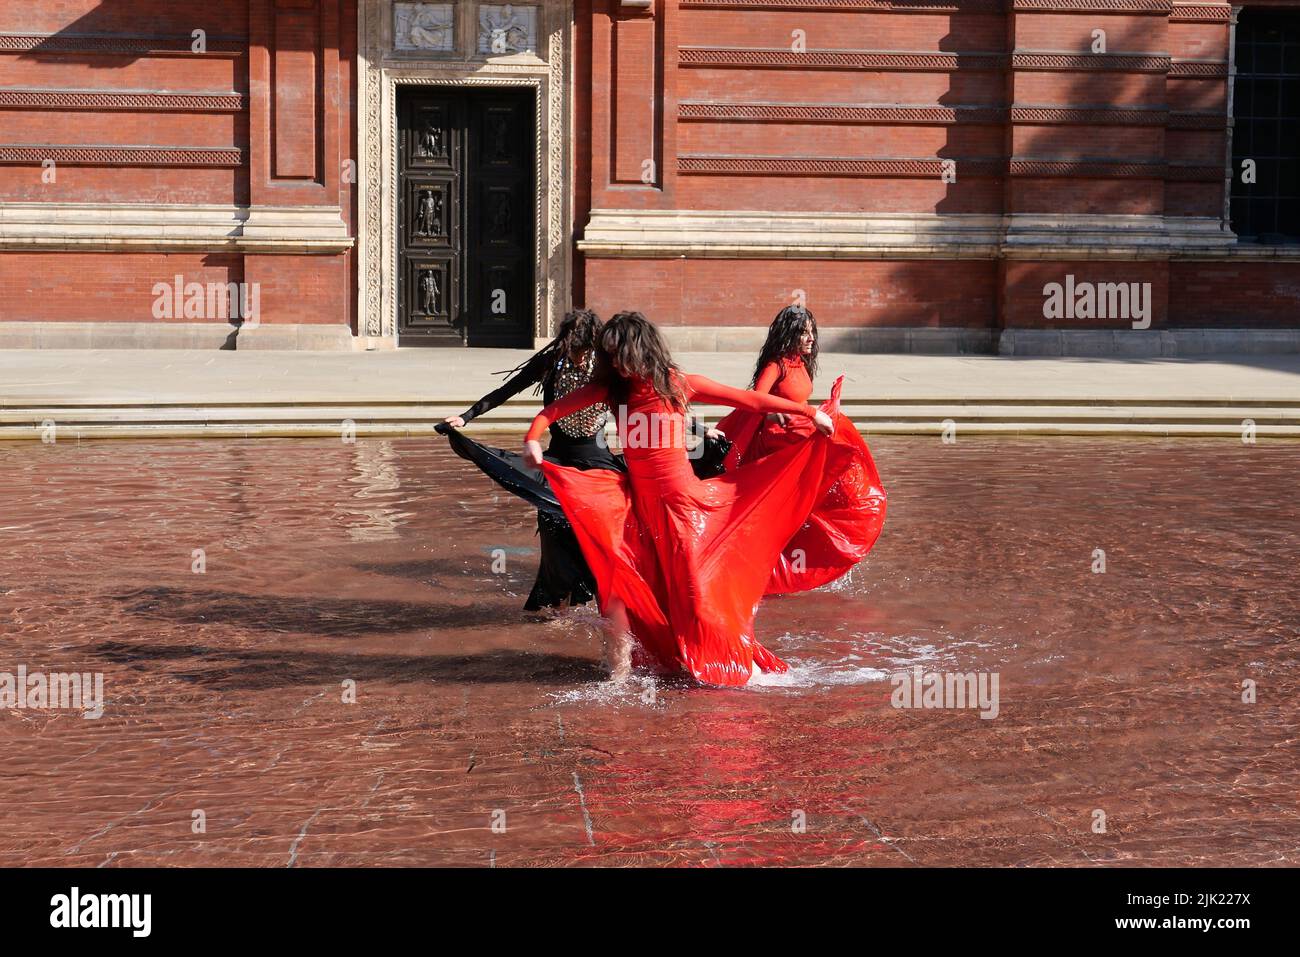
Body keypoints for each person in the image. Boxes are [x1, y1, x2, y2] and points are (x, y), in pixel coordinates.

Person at [521, 311, 857, 687]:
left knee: (693, 591)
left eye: (618, 353)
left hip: (682, 506)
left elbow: (752, 402)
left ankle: (719, 663)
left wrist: (809, 412)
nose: (613, 362)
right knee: (618, 583)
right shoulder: (610, 389)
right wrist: (533, 438)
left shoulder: (678, 384)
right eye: (608, 354)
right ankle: (619, 673)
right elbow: (551, 412)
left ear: (638, 351)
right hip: (638, 503)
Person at [436, 309, 623, 610]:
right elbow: (506, 390)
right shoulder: (551, 362)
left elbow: (644, 404)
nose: (577, 357)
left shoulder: (606, 369)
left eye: (583, 351)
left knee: (598, 531)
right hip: (556, 460)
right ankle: (557, 601)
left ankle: (603, 598)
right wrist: (466, 416)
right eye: (573, 350)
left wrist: (693, 429)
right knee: (554, 529)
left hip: (596, 461)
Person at [715, 305, 887, 593]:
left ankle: (806, 563)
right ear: (790, 334)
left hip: (799, 441)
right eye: (804, 332)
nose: (811, 338)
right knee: (792, 508)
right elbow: (754, 399)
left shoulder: (800, 364)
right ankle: (768, 570)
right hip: (779, 449)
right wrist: (771, 414)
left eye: (811, 332)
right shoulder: (777, 364)